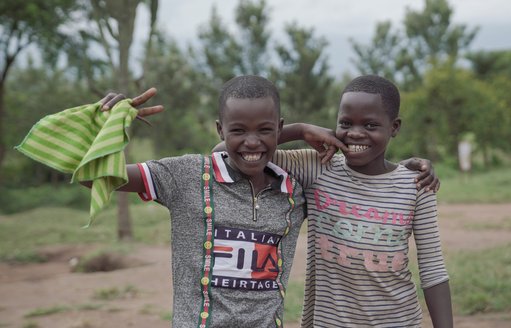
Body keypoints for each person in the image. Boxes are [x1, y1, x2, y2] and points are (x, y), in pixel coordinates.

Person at [17, 76, 308, 328]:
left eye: (265, 130)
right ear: (220, 130)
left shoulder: (295, 190)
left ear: (279, 129)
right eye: (239, 130)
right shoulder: (187, 176)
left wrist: (303, 130)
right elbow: (94, 177)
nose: (253, 142)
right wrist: (104, 126)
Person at [270, 75, 453, 327]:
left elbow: (433, 269)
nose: (354, 134)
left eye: (370, 125)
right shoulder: (318, 167)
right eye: (345, 123)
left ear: (395, 127)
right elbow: (228, 151)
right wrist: (300, 129)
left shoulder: (416, 185)